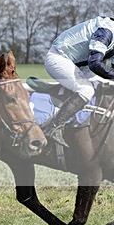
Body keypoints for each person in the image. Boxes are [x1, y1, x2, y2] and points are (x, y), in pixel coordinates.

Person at [43, 16, 114, 146]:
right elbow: (95, 64)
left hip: (79, 64)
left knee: (107, 84)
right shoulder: (106, 31)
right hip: (58, 57)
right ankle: (54, 127)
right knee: (86, 90)